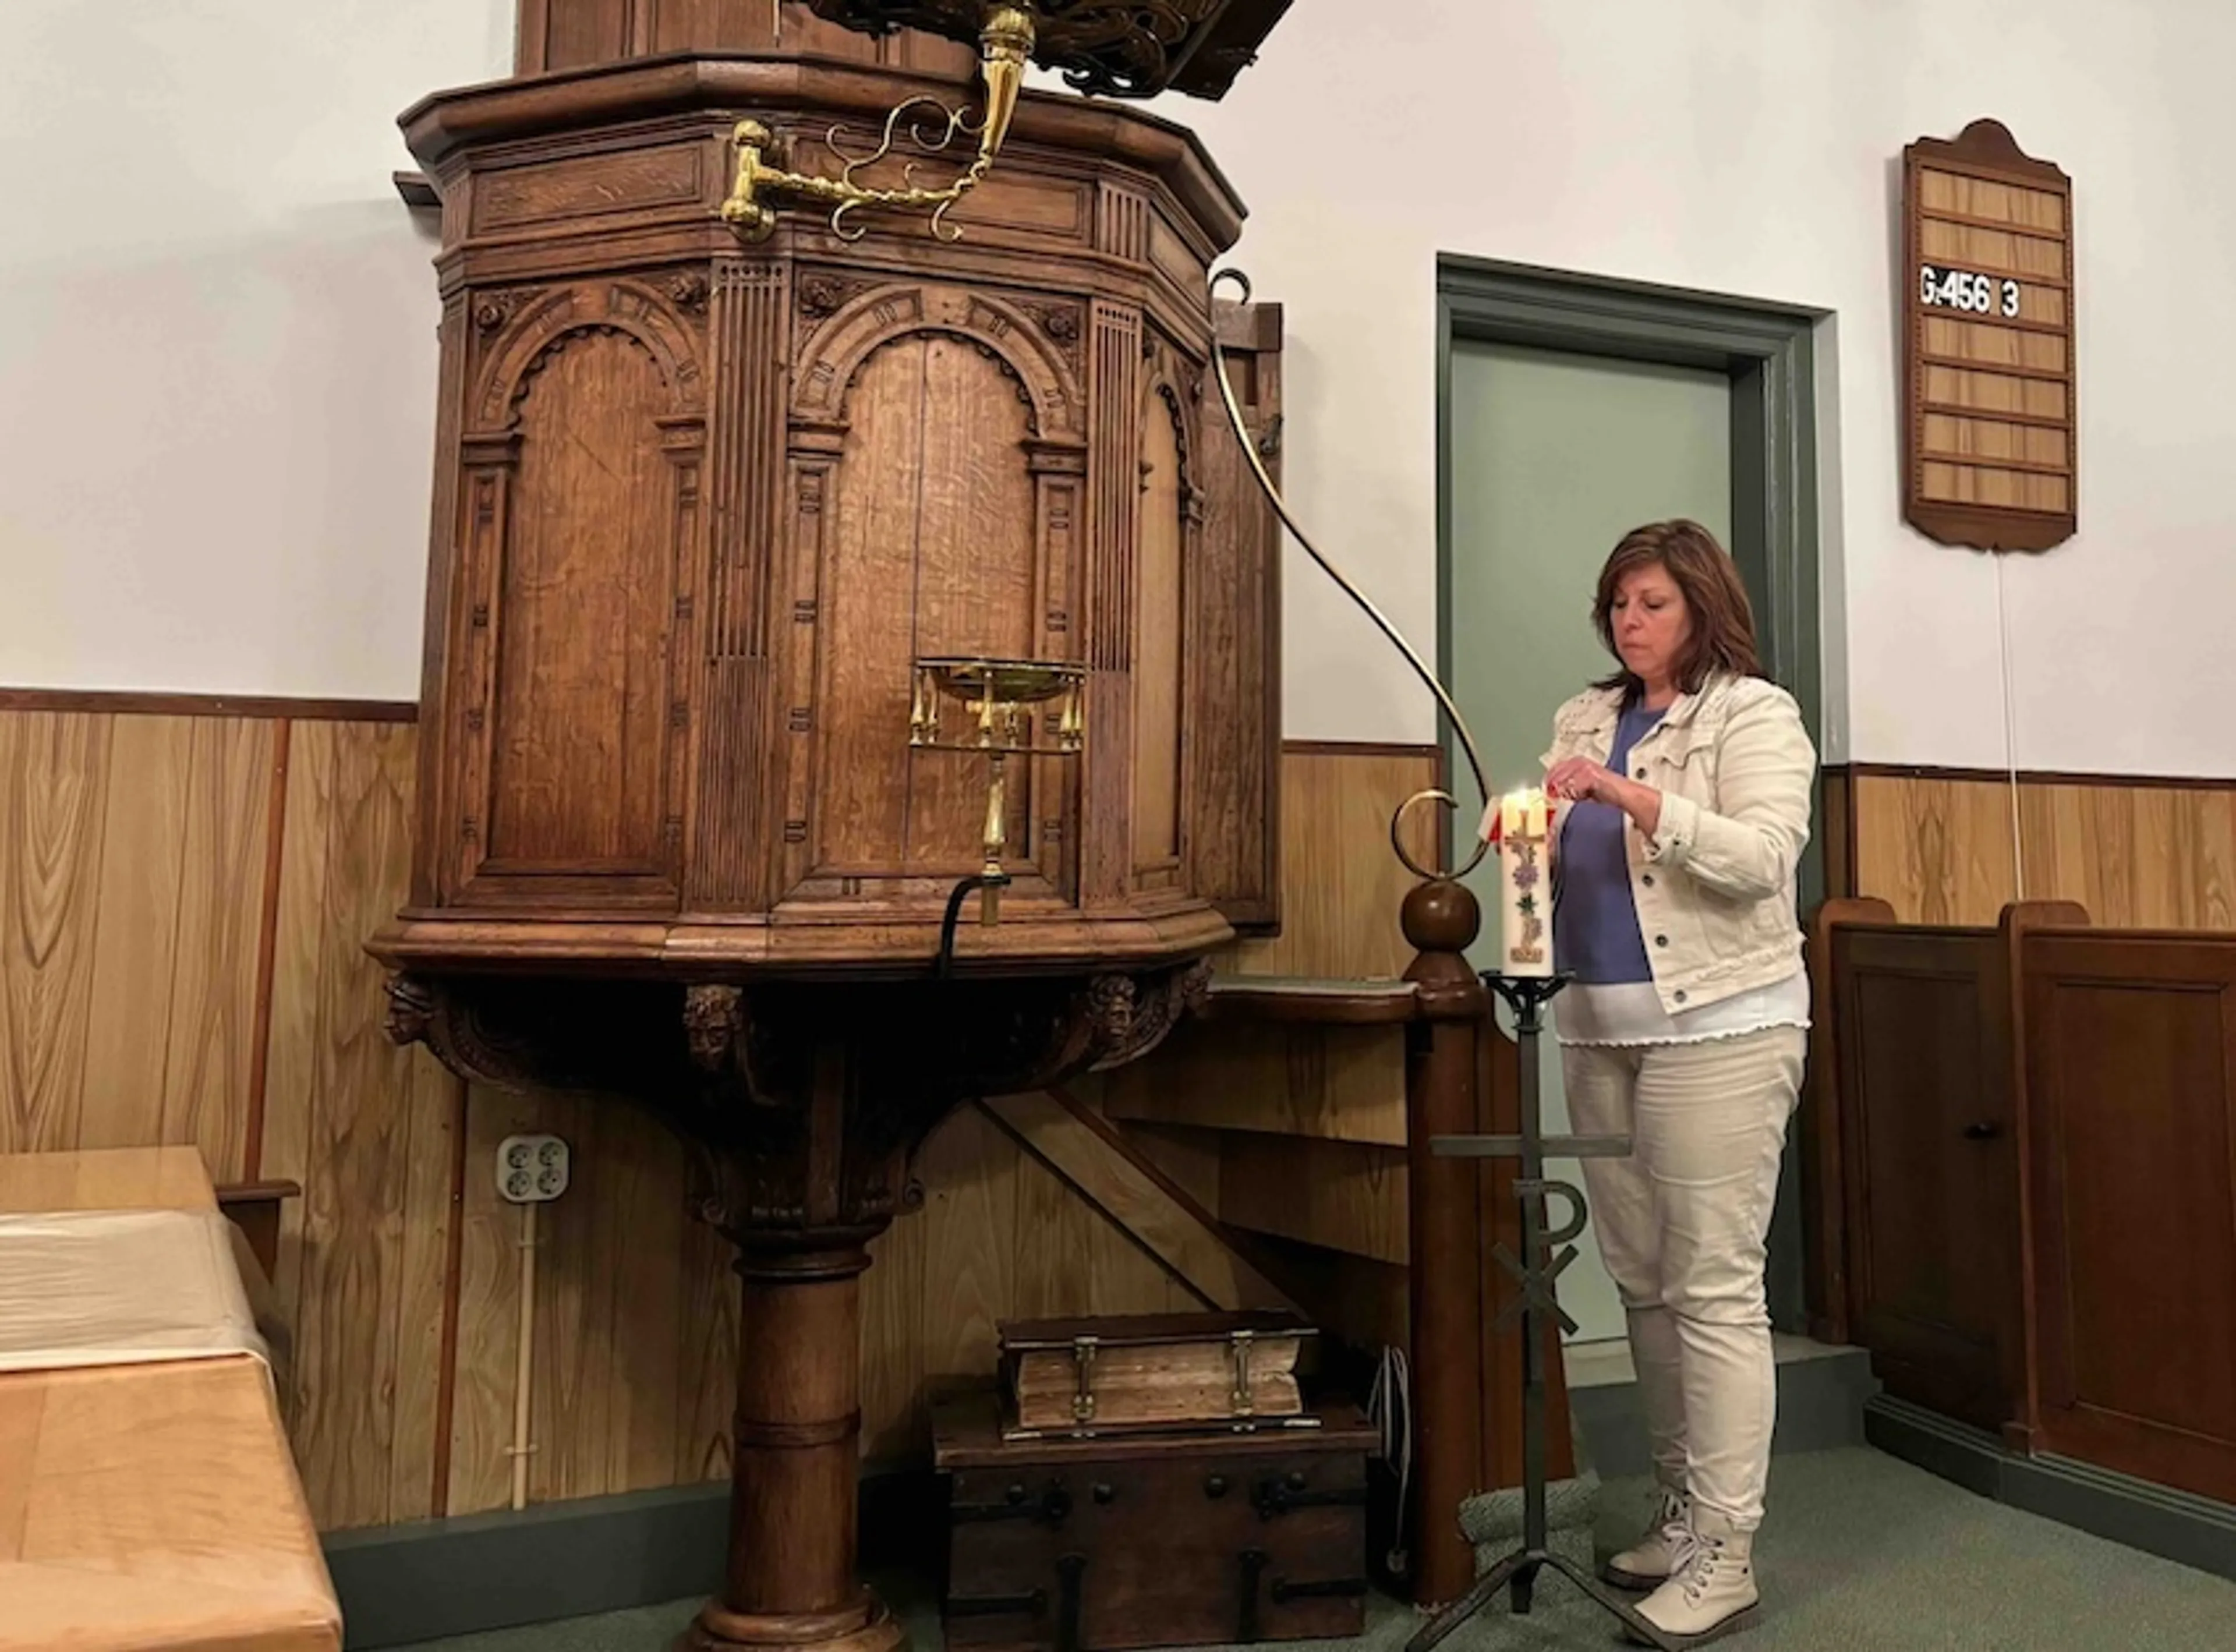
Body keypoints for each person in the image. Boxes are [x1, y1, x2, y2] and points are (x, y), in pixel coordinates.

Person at [1532, 519, 1816, 1645]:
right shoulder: (1583, 714)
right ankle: (1681, 1513)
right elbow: (1562, 852)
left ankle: (1727, 1553)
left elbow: (1762, 860)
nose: (1629, 621)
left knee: (1712, 1290)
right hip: (1598, 1029)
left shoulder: (1754, 712)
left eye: (1652, 603)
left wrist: (1633, 798)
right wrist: (1528, 832)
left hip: (1723, 1028)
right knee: (1643, 1286)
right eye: (1618, 603)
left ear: (1703, 606)